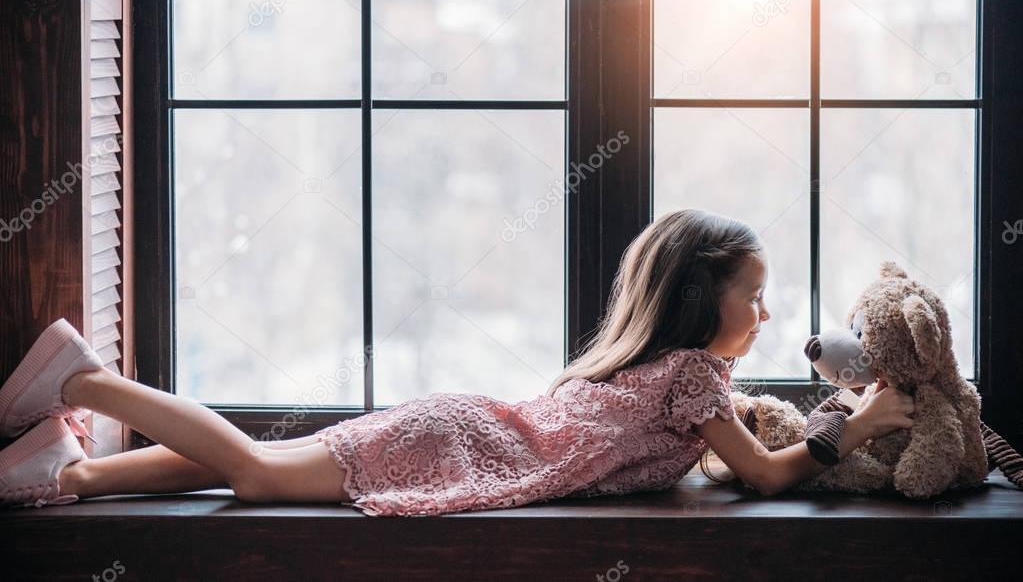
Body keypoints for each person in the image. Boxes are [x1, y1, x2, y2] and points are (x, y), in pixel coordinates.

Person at [0, 209, 914, 515]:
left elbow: (723, 450)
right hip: (463, 444)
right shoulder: (691, 375)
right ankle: (81, 377)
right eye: (751, 294)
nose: (763, 312)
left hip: (463, 429)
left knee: (262, 465)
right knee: (254, 474)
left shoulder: (673, 373)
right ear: (696, 296)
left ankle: (67, 475)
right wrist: (854, 422)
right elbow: (759, 476)